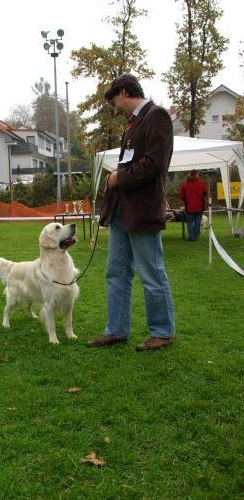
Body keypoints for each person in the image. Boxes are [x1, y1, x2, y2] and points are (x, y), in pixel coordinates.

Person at [86, 74, 175, 351]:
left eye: (114, 102)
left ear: (124, 92)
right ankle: (116, 330)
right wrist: (118, 177)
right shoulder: (133, 124)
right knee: (116, 272)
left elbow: (155, 164)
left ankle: (162, 331)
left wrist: (118, 179)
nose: (114, 110)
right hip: (122, 212)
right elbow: (134, 163)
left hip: (143, 211)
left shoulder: (157, 116)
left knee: (151, 273)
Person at [179, 170, 208, 241]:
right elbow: (205, 192)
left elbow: (181, 195)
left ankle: (191, 237)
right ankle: (195, 235)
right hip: (199, 206)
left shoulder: (186, 184)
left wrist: (185, 199)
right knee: (198, 221)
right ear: (197, 174)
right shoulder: (201, 183)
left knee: (189, 222)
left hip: (189, 207)